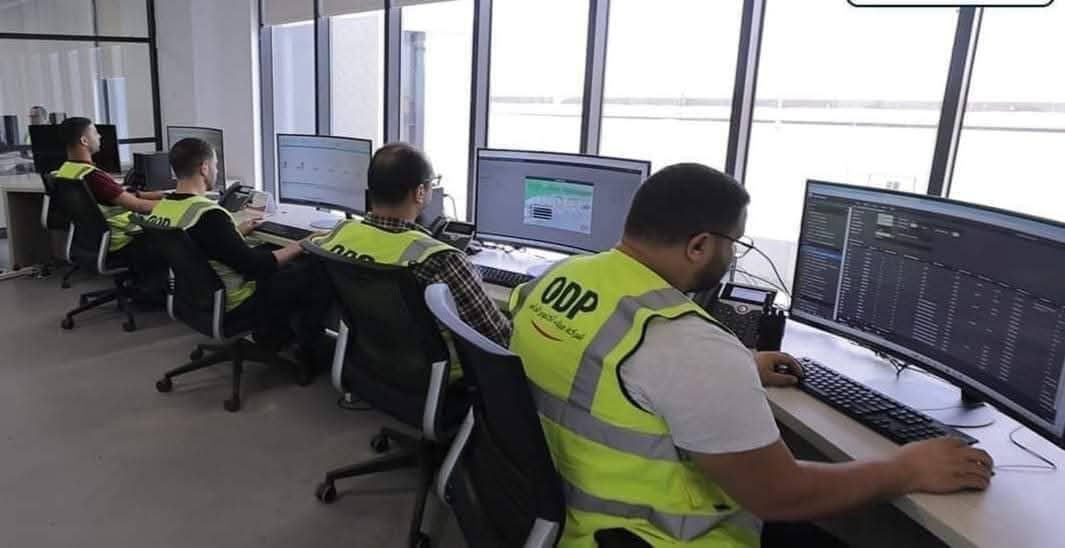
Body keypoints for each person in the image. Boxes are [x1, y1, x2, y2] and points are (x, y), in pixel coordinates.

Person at [508, 163, 994, 548]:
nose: (733, 256)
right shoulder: (687, 346)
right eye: (734, 243)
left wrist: (734, 371)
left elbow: (609, 376)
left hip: (571, 521)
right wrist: (905, 469)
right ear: (699, 245)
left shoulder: (557, 277)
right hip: (660, 538)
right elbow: (781, 495)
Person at [306, 142, 510, 346]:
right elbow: (496, 335)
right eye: (432, 183)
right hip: (434, 365)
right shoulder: (441, 259)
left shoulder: (340, 233)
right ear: (419, 192)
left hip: (361, 355)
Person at [144, 138, 327, 362]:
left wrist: (234, 232)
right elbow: (256, 266)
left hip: (191, 298)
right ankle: (308, 353)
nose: (217, 170)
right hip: (235, 303)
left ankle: (277, 337)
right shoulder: (208, 214)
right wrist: (302, 244)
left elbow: (197, 245)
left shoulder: (163, 208)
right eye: (216, 165)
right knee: (312, 271)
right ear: (204, 168)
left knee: (285, 263)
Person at [54, 117, 165, 255]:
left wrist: (147, 195)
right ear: (84, 141)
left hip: (92, 242)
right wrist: (176, 204)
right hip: (123, 239)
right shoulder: (93, 176)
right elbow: (139, 206)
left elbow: (109, 196)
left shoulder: (64, 171)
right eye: (95, 133)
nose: (99, 136)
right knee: (170, 238)